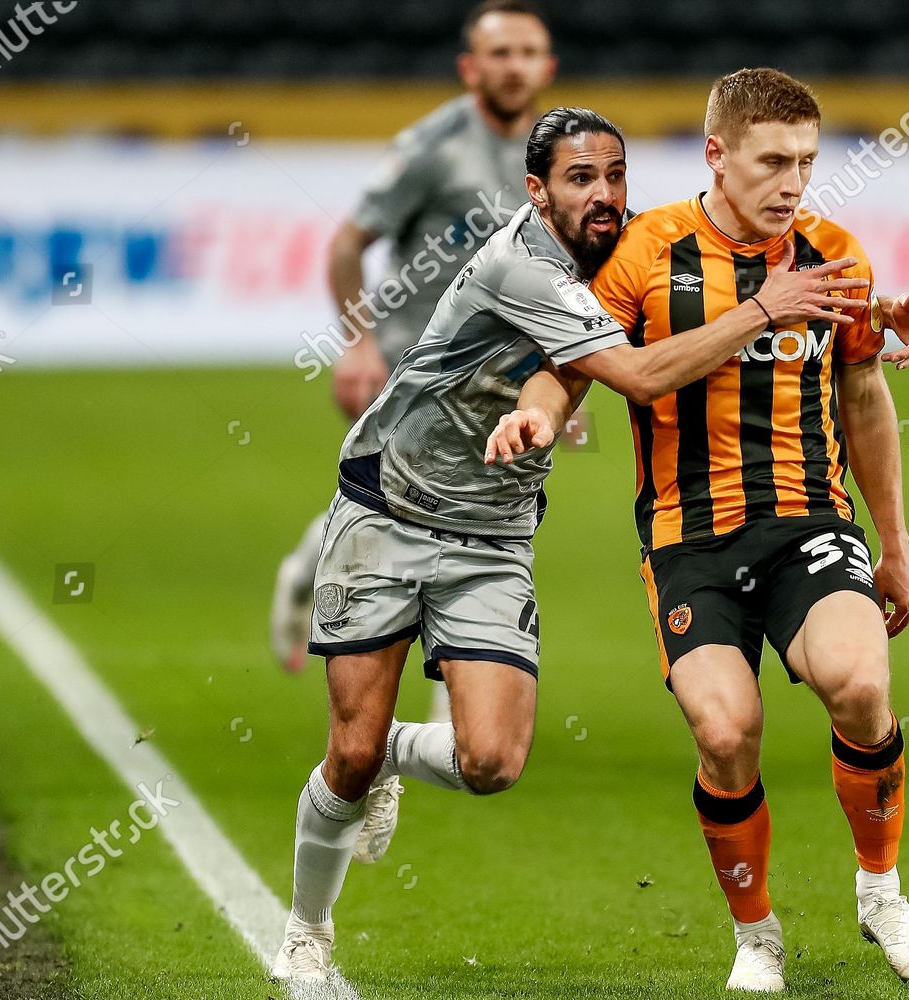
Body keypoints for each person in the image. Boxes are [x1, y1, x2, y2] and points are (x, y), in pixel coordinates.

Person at [270, 106, 875, 984]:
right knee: (346, 752)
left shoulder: (625, 247)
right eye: (580, 179)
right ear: (536, 190)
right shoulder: (523, 265)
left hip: (492, 531)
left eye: (616, 176)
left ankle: (402, 752)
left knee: (491, 764)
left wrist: (866, 306)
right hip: (388, 507)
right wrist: (761, 310)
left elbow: (708, 275)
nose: (604, 195)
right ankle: (307, 931)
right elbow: (635, 373)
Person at [485, 69, 909, 992]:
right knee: (727, 733)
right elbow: (570, 369)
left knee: (858, 680)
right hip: (687, 542)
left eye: (807, 162)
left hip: (811, 520)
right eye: (773, 161)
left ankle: (882, 890)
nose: (792, 183)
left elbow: (864, 392)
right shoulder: (647, 254)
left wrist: (893, 544)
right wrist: (532, 412)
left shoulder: (835, 254)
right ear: (717, 155)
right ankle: (756, 934)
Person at [268, 0, 558, 732]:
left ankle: (450, 680)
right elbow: (346, 244)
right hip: (414, 365)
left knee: (479, 514)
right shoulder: (434, 145)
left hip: (501, 375)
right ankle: (318, 583)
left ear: (547, 67)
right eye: (500, 53)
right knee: (411, 511)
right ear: (471, 67)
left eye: (529, 52)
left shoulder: (556, 157)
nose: (515, 65)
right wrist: (358, 343)